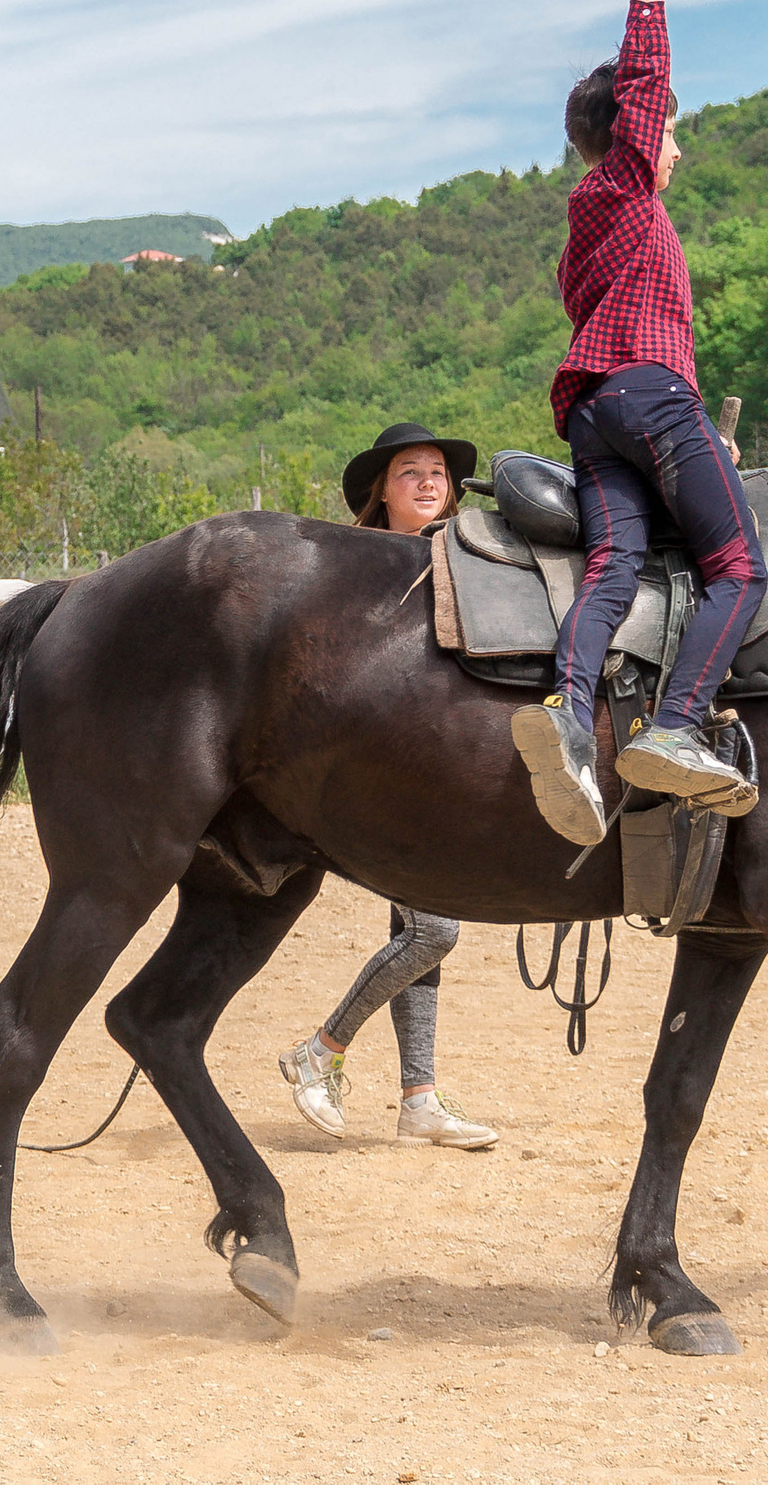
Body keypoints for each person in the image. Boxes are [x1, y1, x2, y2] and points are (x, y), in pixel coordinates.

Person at [509, 0, 766, 847]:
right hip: (651, 399)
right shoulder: (625, 187)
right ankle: (675, 725)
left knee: (614, 562)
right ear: (629, 134)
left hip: (595, 414)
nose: (673, 144)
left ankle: (570, 714)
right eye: (662, 131)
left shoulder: (586, 224)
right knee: (737, 566)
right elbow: (649, 73)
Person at [275, 422, 499, 1149]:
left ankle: (419, 1099)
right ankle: (321, 1050)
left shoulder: (465, 557)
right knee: (436, 928)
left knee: (419, 936)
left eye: (439, 471)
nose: (431, 482)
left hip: (439, 772)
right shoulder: (358, 574)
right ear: (382, 492)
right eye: (411, 472)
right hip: (383, 773)